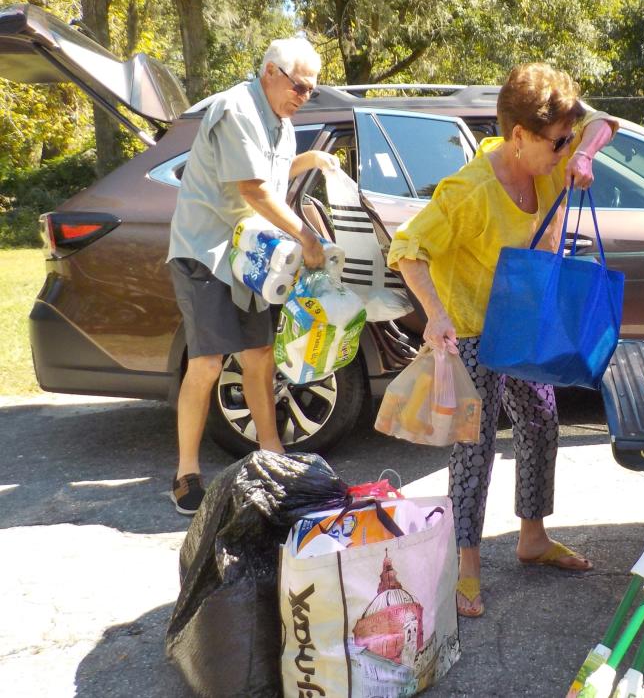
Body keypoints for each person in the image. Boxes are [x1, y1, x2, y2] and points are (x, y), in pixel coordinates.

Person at [387, 63, 617, 617]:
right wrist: (436, 315)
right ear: (519, 136)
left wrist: (582, 154)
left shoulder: (550, 164)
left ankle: (532, 538)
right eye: (558, 143)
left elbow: (605, 123)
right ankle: (465, 565)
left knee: (540, 421)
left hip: (521, 322)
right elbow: (407, 249)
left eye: (567, 141)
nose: (563, 151)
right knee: (476, 443)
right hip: (470, 328)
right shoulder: (470, 190)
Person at [166, 38, 338, 515]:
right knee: (206, 364)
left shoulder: (281, 123)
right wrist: (307, 239)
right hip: (207, 252)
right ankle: (185, 475)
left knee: (260, 354)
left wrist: (311, 160)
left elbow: (274, 175)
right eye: (299, 86)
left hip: (251, 259)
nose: (304, 96)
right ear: (270, 72)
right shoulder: (236, 108)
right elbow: (255, 189)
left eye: (312, 91)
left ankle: (271, 456)